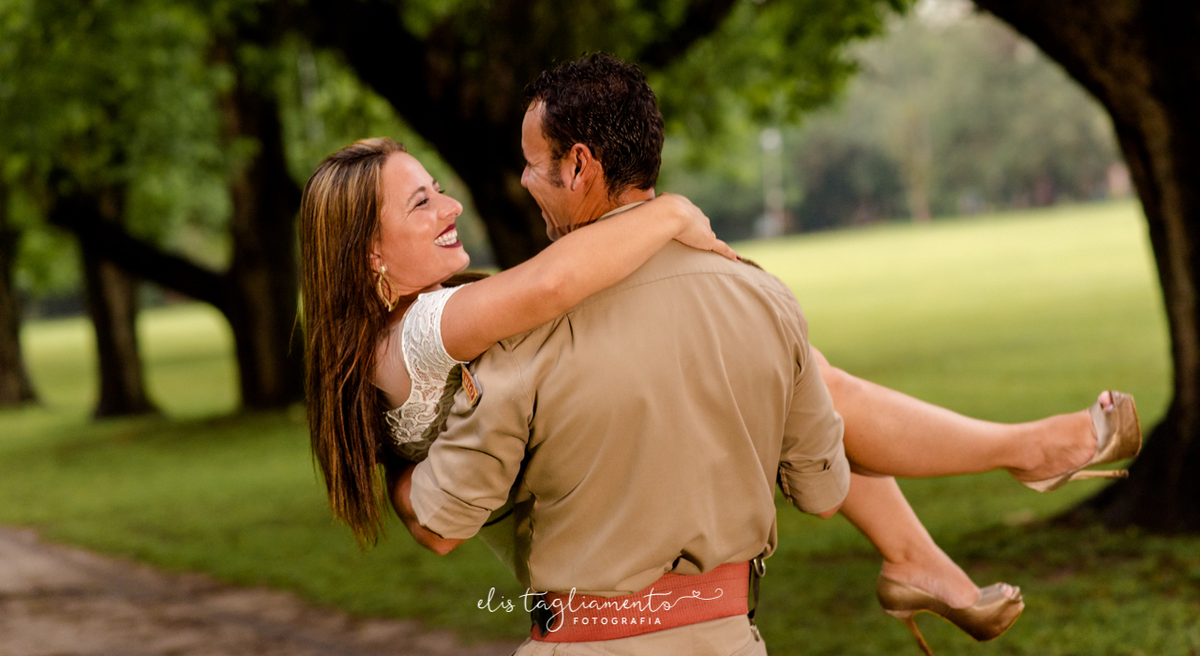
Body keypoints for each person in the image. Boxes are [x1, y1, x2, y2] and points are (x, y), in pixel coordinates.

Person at [299, 55, 1141, 656]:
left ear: (578, 164)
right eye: (421, 201)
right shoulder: (427, 326)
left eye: (438, 186)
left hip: (565, 555)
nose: (456, 202)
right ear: (370, 254)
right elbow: (551, 287)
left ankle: (945, 524)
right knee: (805, 375)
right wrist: (667, 216)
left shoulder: (424, 326)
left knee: (801, 374)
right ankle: (1009, 463)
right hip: (574, 558)